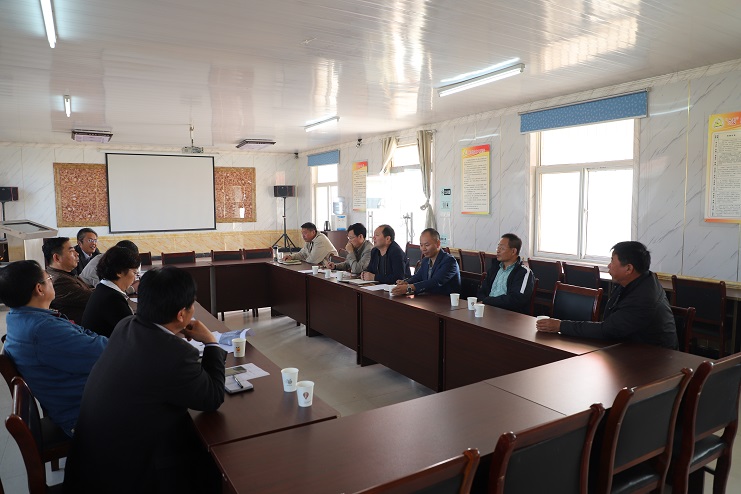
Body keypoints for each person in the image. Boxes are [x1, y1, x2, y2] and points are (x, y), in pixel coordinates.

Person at [64, 266, 226, 493]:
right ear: (181, 314)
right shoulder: (174, 354)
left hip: (90, 465)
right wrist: (211, 342)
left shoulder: (126, 326)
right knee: (213, 463)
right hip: (127, 477)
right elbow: (213, 397)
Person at [0, 260, 107, 437]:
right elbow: (104, 354)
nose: (52, 282)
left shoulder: (19, 317)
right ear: (39, 289)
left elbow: (84, 336)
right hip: (86, 413)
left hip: (75, 400)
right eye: (49, 279)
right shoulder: (43, 330)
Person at [536, 241, 678, 349]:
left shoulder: (643, 298)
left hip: (654, 361)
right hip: (630, 347)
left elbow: (608, 330)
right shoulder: (641, 280)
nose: (609, 266)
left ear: (628, 268)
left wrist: (561, 326)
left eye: (612, 261)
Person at [80, 246, 140, 337]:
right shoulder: (112, 299)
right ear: (119, 272)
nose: (135, 278)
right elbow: (134, 332)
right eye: (134, 273)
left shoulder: (103, 289)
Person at [477, 234, 534, 314]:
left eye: (502, 248)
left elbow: (517, 299)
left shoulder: (523, 272)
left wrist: (487, 301)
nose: (498, 251)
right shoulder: (495, 268)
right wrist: (483, 302)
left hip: (509, 315)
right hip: (488, 310)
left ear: (513, 251)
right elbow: (482, 291)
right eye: (498, 247)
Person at [392, 228, 460, 296]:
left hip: (445, 300)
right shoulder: (425, 260)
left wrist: (409, 287)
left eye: (427, 245)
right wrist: (405, 282)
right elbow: (418, 277)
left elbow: (435, 282)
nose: (423, 249)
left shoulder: (449, 261)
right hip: (429, 298)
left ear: (438, 244)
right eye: (421, 245)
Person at [43, 237, 93, 323]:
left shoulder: (64, 274)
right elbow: (93, 298)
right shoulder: (59, 281)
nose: (77, 254)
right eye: (71, 251)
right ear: (57, 258)